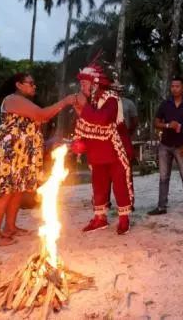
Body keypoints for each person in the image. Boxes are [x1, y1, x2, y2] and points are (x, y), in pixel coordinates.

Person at [0, 73, 76, 246]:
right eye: (31, 83)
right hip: (8, 150)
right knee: (4, 192)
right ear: (19, 85)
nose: (34, 86)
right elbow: (41, 115)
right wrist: (65, 101)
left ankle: (10, 227)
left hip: (21, 152)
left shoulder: (24, 101)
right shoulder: (12, 99)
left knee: (17, 190)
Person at [73, 60, 133, 235]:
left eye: (84, 83)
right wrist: (81, 142)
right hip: (96, 152)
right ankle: (100, 218)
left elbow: (103, 119)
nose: (81, 86)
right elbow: (85, 123)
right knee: (98, 186)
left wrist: (83, 107)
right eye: (81, 83)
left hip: (114, 150)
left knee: (120, 185)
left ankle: (124, 219)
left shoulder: (111, 99)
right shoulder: (89, 100)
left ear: (95, 83)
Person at [148, 76, 183, 219]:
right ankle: (161, 206)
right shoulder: (165, 104)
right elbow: (156, 122)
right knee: (164, 177)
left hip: (182, 145)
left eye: (177, 86)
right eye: (172, 86)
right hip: (165, 145)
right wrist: (167, 125)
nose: (174, 88)